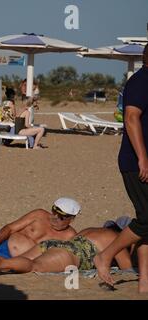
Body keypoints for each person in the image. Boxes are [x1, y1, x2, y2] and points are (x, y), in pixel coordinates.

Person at [94, 44, 148, 293]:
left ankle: (144, 283)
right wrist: (142, 158)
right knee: (147, 219)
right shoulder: (141, 81)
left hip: (142, 160)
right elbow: (131, 117)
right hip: (136, 161)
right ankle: (105, 256)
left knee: (146, 220)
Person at [0, 197, 79, 269]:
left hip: (10, 258)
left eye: (61, 217)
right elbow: (10, 228)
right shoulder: (39, 215)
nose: (55, 218)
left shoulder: (70, 237)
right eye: (54, 212)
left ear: (72, 219)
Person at [0, 227, 133, 277]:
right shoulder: (115, 239)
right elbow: (128, 269)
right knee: (32, 266)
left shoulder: (90, 230)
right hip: (71, 254)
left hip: (54, 245)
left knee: (20, 263)